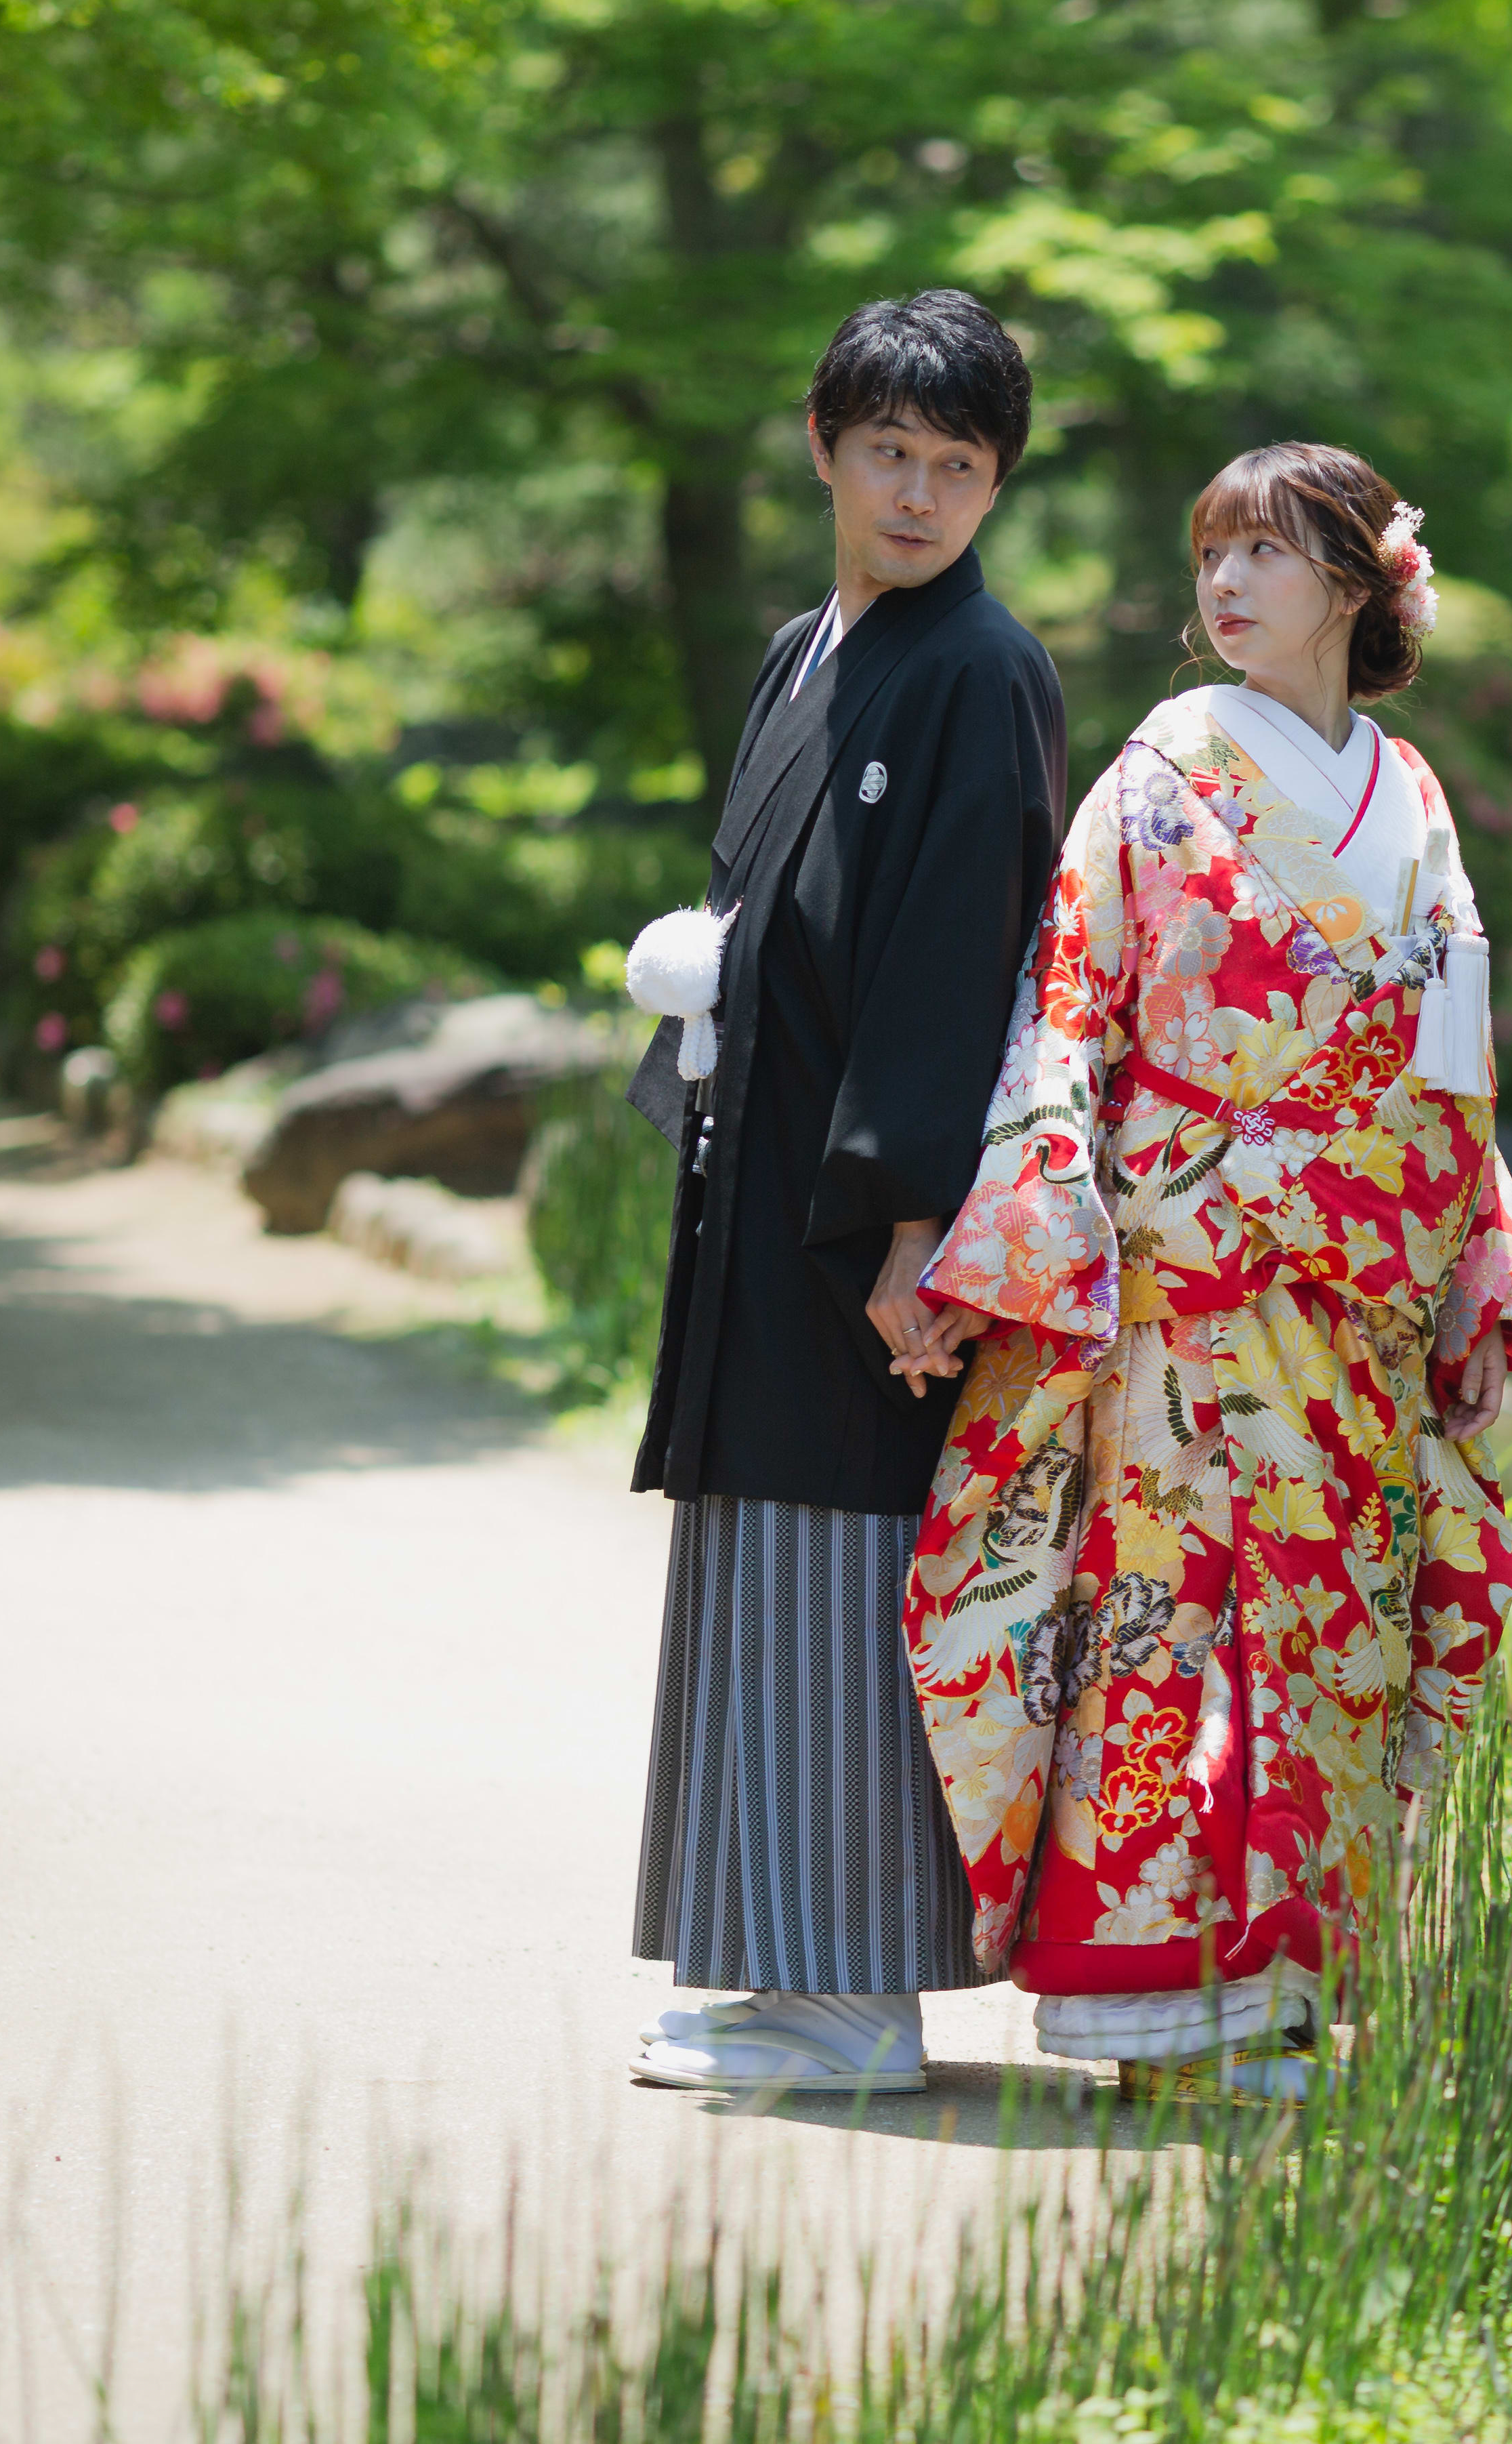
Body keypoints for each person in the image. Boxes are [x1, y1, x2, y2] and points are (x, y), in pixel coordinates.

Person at [901, 440, 1512, 2105]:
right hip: (1186, 1276)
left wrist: (1480, 1269)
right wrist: (1033, 1224)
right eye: (1214, 553)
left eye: (1268, 550)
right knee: (1172, 1632)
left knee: (1332, 1644)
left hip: (1361, 1311)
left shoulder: (1412, 795)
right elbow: (1070, 1002)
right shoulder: (1161, 772)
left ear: (1359, 580)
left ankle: (1282, 1993)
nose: (1227, 584)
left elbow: (1459, 1065)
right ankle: (1157, 2014)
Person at [616, 289, 1068, 2094]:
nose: (919, 494)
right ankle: (773, 1968)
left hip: (868, 1214)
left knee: (853, 1553)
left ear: (996, 485)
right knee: (760, 1541)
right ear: (824, 449)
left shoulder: (982, 671)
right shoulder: (804, 650)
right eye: (889, 452)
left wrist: (915, 1221)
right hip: (762, 1170)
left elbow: (962, 957)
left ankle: (858, 1998)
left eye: (958, 465)